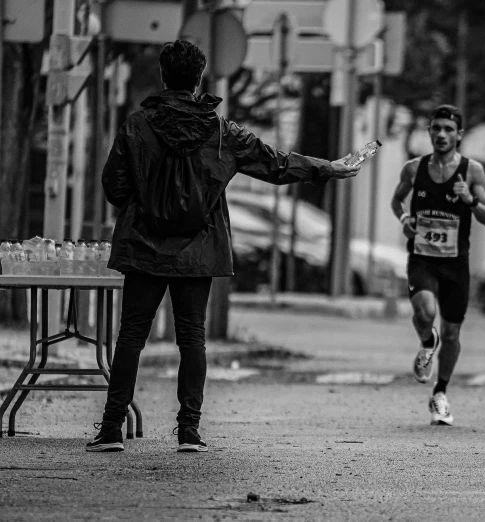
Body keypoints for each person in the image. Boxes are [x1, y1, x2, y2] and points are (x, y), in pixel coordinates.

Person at [86, 40, 361, 453]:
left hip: (143, 245)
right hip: (200, 247)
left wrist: (145, 203)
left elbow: (114, 186)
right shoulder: (222, 133)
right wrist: (327, 168)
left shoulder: (136, 126)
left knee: (131, 336)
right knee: (192, 337)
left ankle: (111, 429)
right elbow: (276, 163)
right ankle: (189, 431)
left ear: (163, 75)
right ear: (200, 79)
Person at [390, 104, 485, 426]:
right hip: (422, 257)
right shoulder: (413, 169)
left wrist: (470, 201)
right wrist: (406, 218)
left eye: (448, 129)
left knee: (451, 333)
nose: (441, 134)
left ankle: (440, 393)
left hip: (455, 263)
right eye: (436, 128)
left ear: (459, 135)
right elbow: (397, 200)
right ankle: (425, 343)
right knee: (425, 312)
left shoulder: (472, 171)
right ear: (429, 132)